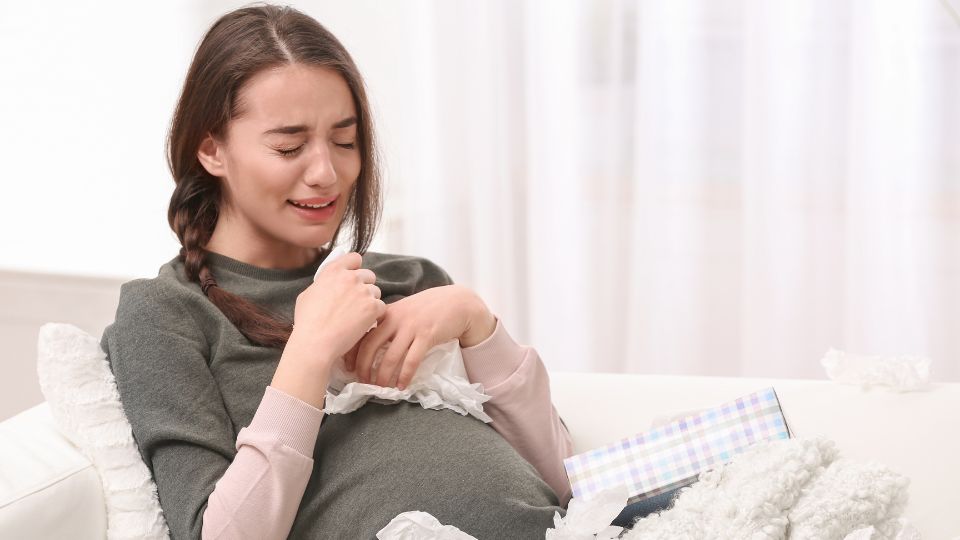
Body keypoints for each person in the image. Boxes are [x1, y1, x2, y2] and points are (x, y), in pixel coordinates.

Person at [100, 5, 573, 539]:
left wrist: (475, 320)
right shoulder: (164, 314)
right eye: (289, 147)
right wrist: (309, 352)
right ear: (211, 148)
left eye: (345, 142)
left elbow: (565, 481)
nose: (327, 173)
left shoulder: (408, 281)